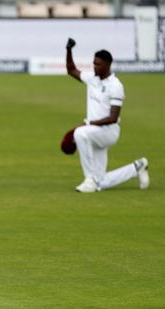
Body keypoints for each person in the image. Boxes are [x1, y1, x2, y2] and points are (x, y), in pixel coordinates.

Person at [65, 38, 150, 193]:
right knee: (102, 181)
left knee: (80, 133)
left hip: (108, 132)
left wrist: (88, 124)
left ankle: (89, 180)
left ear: (108, 65)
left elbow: (113, 118)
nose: (95, 67)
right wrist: (69, 50)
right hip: (95, 132)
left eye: (98, 64)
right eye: (94, 63)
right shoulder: (92, 79)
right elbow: (71, 70)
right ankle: (138, 167)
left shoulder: (116, 86)